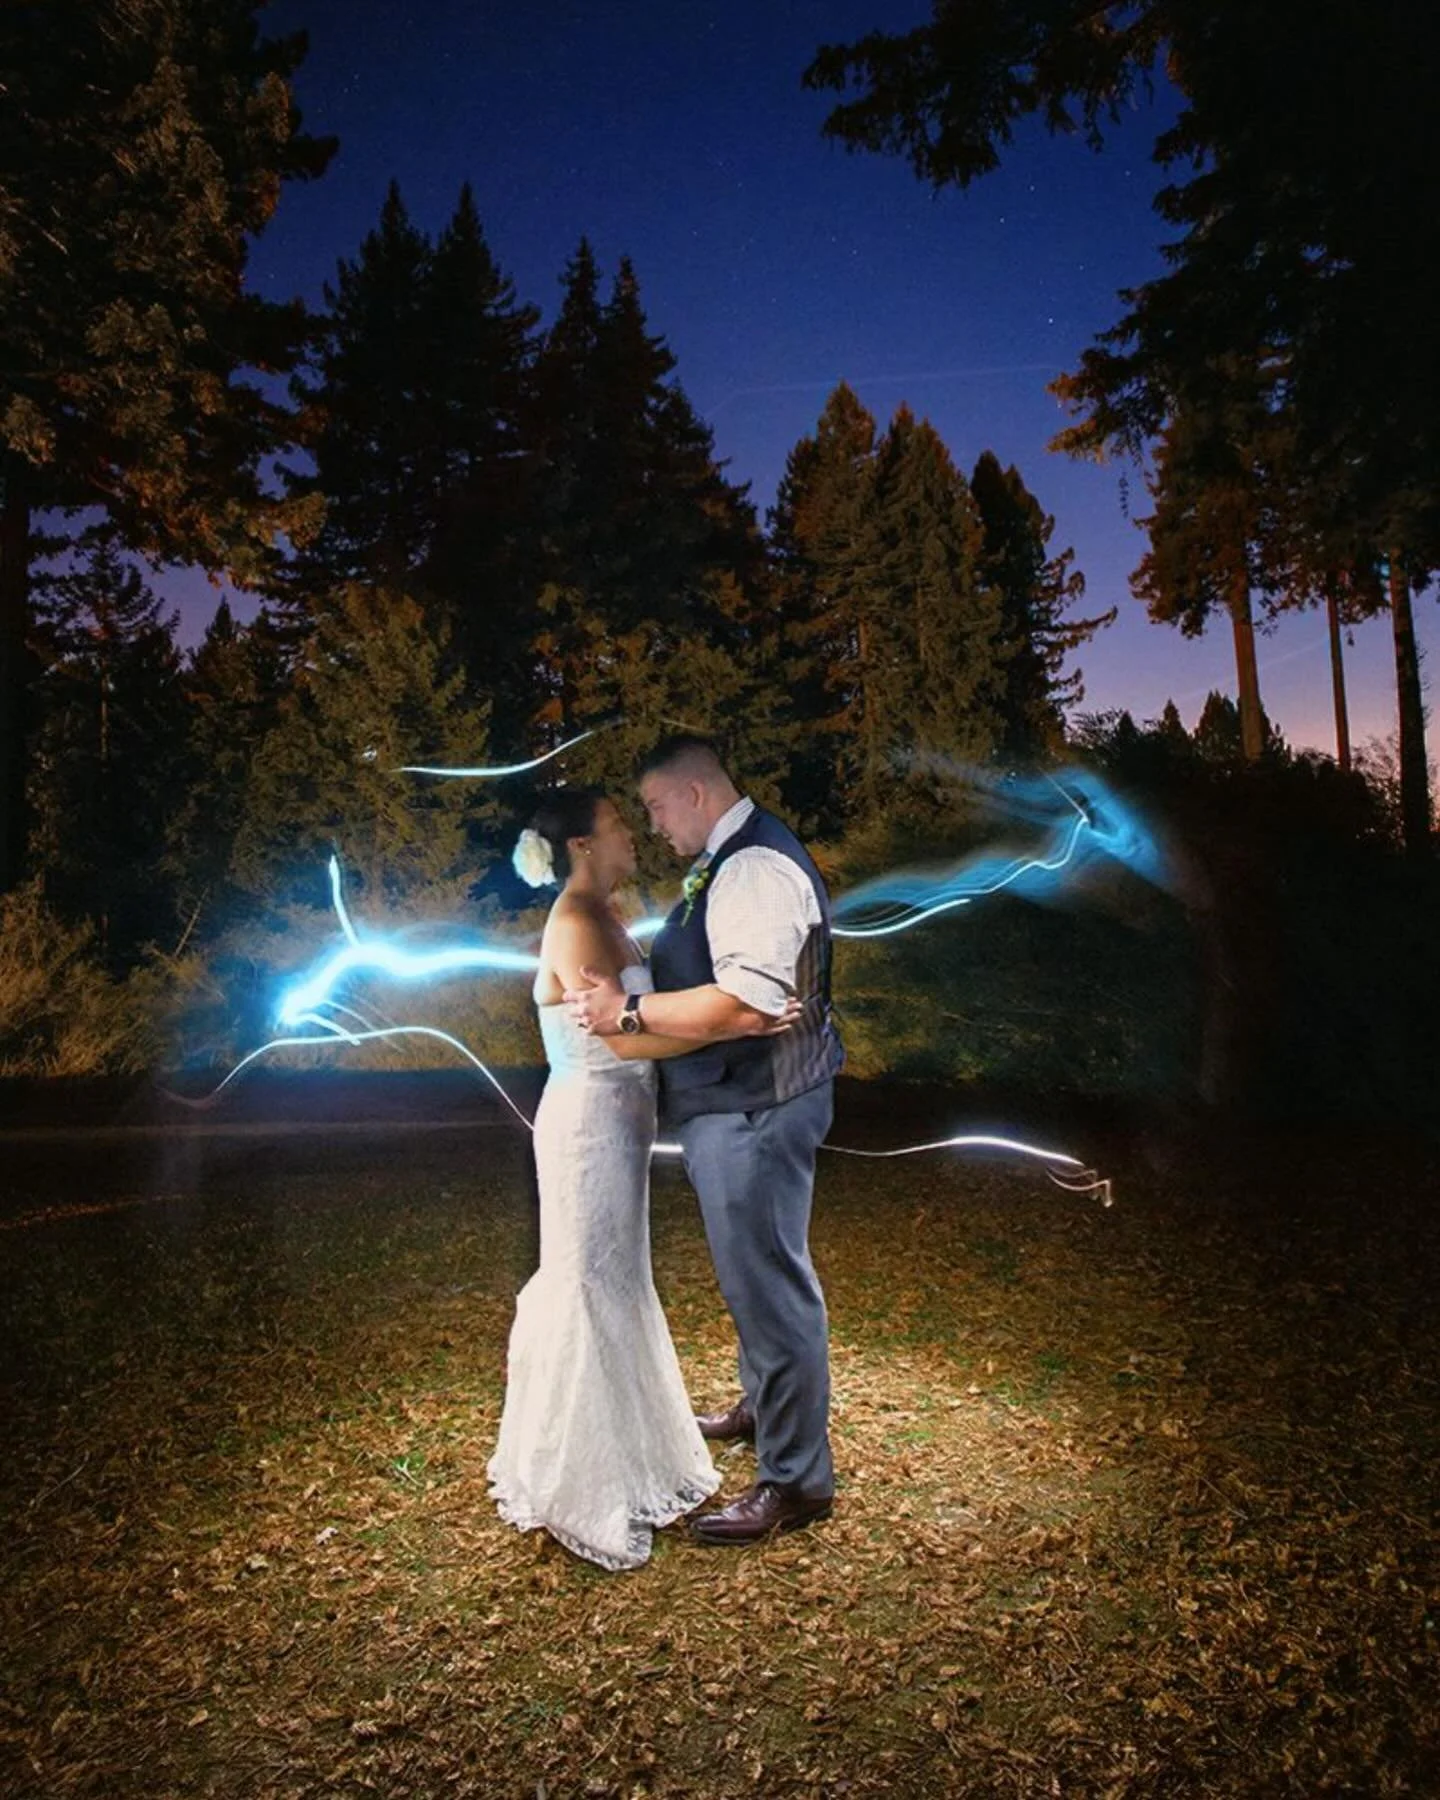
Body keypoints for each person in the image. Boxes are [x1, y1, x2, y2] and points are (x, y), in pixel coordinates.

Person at [487, 786, 793, 1571]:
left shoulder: (606, 913)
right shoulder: (581, 922)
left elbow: (638, 1016)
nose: (633, 834)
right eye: (619, 825)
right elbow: (625, 1041)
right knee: (589, 1281)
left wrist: (720, 1016)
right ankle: (583, 1481)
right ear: (583, 845)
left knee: (617, 1279)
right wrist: (740, 1018)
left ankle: (630, 1451)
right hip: (589, 1125)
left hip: (618, 1125)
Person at [564, 735, 844, 1545]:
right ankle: (767, 1409)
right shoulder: (730, 863)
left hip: (759, 1105)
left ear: (694, 793)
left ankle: (796, 1482)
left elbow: (746, 1009)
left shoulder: (752, 867)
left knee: (768, 1283)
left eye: (654, 806)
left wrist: (625, 1012)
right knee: (751, 1274)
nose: (652, 825)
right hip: (741, 1102)